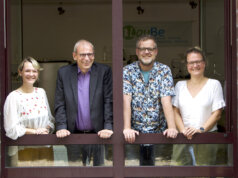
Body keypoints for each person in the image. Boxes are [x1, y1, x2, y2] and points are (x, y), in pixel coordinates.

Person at [54, 39, 113, 166]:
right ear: (74, 56)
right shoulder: (63, 73)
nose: (87, 58)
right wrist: (61, 127)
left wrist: (108, 126)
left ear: (94, 55)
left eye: (90, 54)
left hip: (99, 134)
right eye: (82, 55)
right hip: (73, 134)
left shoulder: (104, 72)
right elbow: (60, 103)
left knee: (100, 172)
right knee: (75, 173)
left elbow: (109, 101)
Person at [123, 35, 178, 166]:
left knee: (159, 172)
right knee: (133, 173)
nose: (147, 52)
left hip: (159, 133)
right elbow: (126, 101)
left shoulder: (164, 71)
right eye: (143, 49)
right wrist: (127, 128)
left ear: (156, 51)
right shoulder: (127, 71)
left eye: (150, 49)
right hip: (134, 134)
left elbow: (166, 100)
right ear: (137, 51)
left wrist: (172, 128)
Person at [171, 46, 226, 165]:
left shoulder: (214, 84)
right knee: (178, 171)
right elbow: (175, 111)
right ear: (186, 65)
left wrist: (200, 130)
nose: (195, 65)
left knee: (204, 173)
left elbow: (217, 113)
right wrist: (183, 131)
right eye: (191, 62)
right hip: (183, 137)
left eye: (198, 62)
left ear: (204, 63)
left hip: (206, 137)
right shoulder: (180, 85)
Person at [4, 57, 55, 166]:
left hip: (45, 147)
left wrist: (46, 129)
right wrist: (34, 131)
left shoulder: (41, 92)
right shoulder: (13, 97)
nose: (31, 74)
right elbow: (10, 129)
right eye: (27, 71)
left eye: (34, 71)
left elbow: (50, 119)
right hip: (24, 148)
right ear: (20, 72)